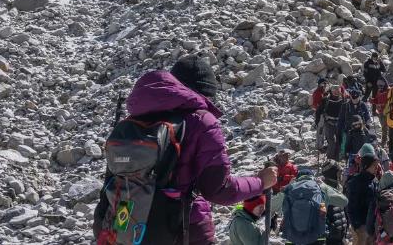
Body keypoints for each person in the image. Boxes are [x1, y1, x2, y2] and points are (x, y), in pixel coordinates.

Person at [94, 57, 276, 245]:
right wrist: (261, 181)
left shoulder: (131, 123)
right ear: (204, 94)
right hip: (181, 232)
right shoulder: (201, 120)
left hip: (125, 230)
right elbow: (219, 190)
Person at [273, 166, 349, 245]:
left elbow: (271, 205)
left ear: (297, 178)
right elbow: (344, 201)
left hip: (292, 237)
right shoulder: (320, 188)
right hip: (317, 236)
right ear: (312, 177)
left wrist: (288, 186)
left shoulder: (289, 189)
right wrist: (324, 185)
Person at [347, 150, 381, 245]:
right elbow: (351, 205)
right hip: (361, 224)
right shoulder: (356, 182)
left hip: (372, 224)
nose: (376, 168)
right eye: (374, 165)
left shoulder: (374, 180)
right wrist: (356, 225)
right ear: (366, 166)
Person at [321, 162, 350, 245]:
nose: (341, 175)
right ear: (332, 174)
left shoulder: (338, 188)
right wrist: (332, 228)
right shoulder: (324, 190)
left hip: (340, 235)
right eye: (339, 173)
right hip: (330, 237)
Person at [321, 85, 347, 160]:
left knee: (339, 141)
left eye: (338, 90)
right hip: (329, 123)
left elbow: (345, 110)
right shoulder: (326, 99)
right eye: (334, 90)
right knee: (331, 142)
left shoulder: (343, 99)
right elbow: (321, 110)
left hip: (339, 123)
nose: (336, 92)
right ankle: (329, 158)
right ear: (331, 91)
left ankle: (336, 158)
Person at [371, 79, 391, 145]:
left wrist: (382, 104)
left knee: (384, 127)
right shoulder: (379, 91)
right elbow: (377, 100)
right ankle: (387, 140)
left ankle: (384, 142)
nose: (379, 87)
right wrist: (373, 100)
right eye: (378, 85)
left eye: (381, 85)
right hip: (380, 111)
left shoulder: (389, 91)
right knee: (384, 126)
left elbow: (390, 102)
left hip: (387, 111)